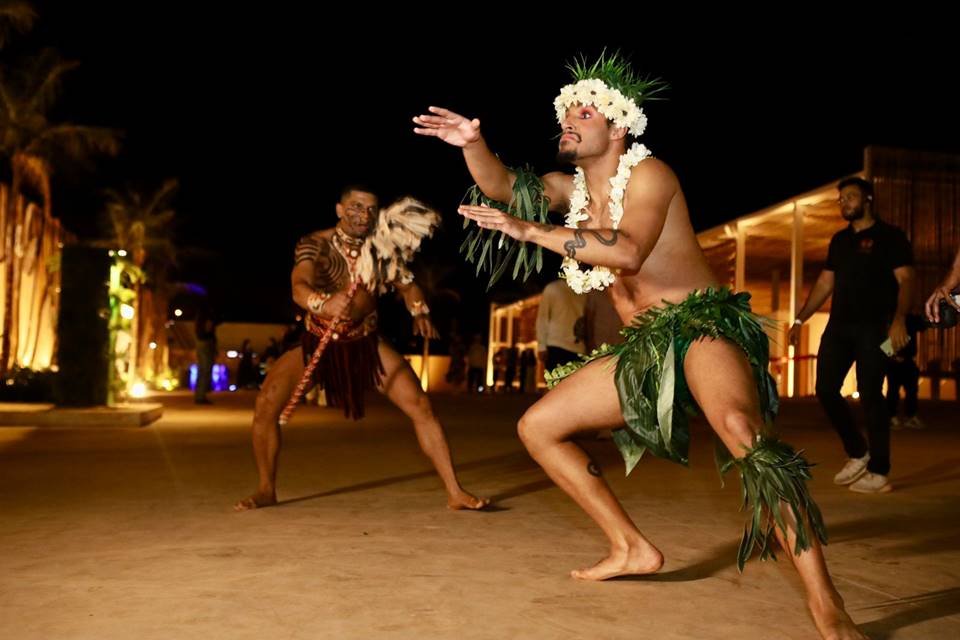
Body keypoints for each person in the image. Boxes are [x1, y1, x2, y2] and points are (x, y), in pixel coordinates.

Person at [416, 51, 865, 639]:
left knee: (743, 434)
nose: (568, 121)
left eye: (583, 112)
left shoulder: (652, 175)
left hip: (700, 325)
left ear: (618, 125)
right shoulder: (569, 191)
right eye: (565, 113)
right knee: (538, 427)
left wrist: (531, 232)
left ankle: (826, 602)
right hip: (644, 345)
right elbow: (505, 187)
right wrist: (472, 143)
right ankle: (631, 546)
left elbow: (626, 251)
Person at [234, 185, 487, 512]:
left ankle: (455, 491)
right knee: (266, 404)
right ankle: (266, 488)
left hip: (365, 342)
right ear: (339, 209)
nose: (363, 215)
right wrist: (323, 302)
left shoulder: (382, 251)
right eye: (355, 207)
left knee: (420, 406)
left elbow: (409, 287)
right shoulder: (316, 244)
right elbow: (299, 286)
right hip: (317, 338)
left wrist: (419, 310)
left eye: (370, 209)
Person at [790, 177, 914, 494]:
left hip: (878, 328)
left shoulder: (891, 237)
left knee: (872, 393)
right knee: (826, 389)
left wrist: (899, 320)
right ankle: (858, 452)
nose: (845, 202)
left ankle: (879, 470)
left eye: (851, 197)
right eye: (841, 199)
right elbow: (824, 284)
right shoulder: (839, 241)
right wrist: (800, 320)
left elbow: (906, 280)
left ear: (868, 199)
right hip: (839, 326)